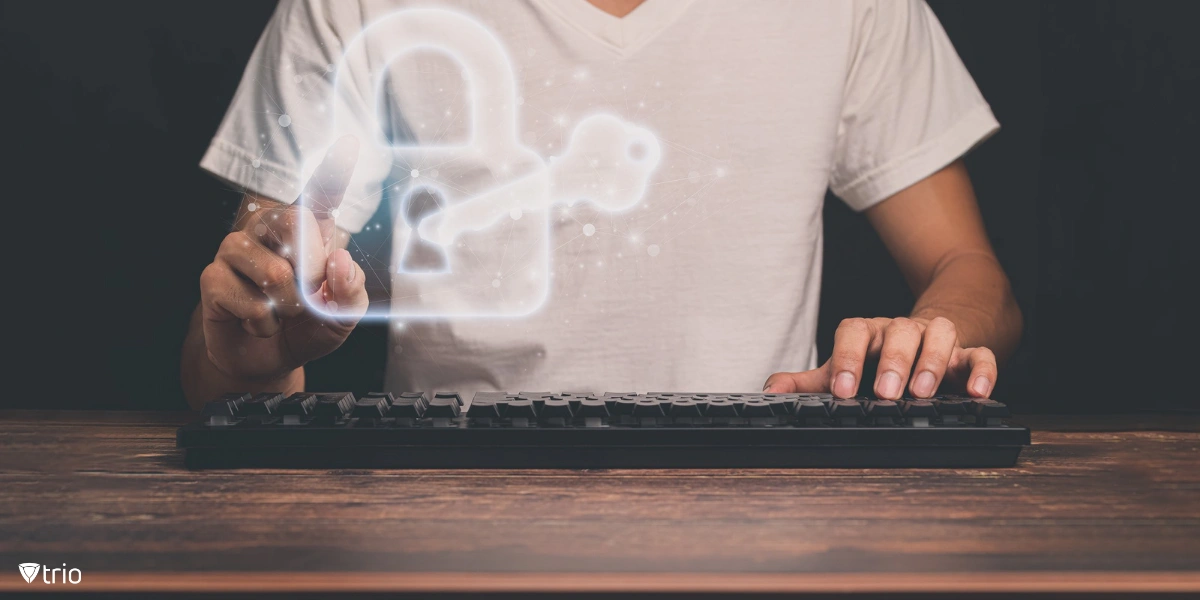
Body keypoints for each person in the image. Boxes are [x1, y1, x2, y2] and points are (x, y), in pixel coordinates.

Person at [182, 0, 1022, 408]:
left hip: (768, 537)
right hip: (443, 539)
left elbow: (968, 271)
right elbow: (237, 333)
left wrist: (934, 336)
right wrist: (248, 359)